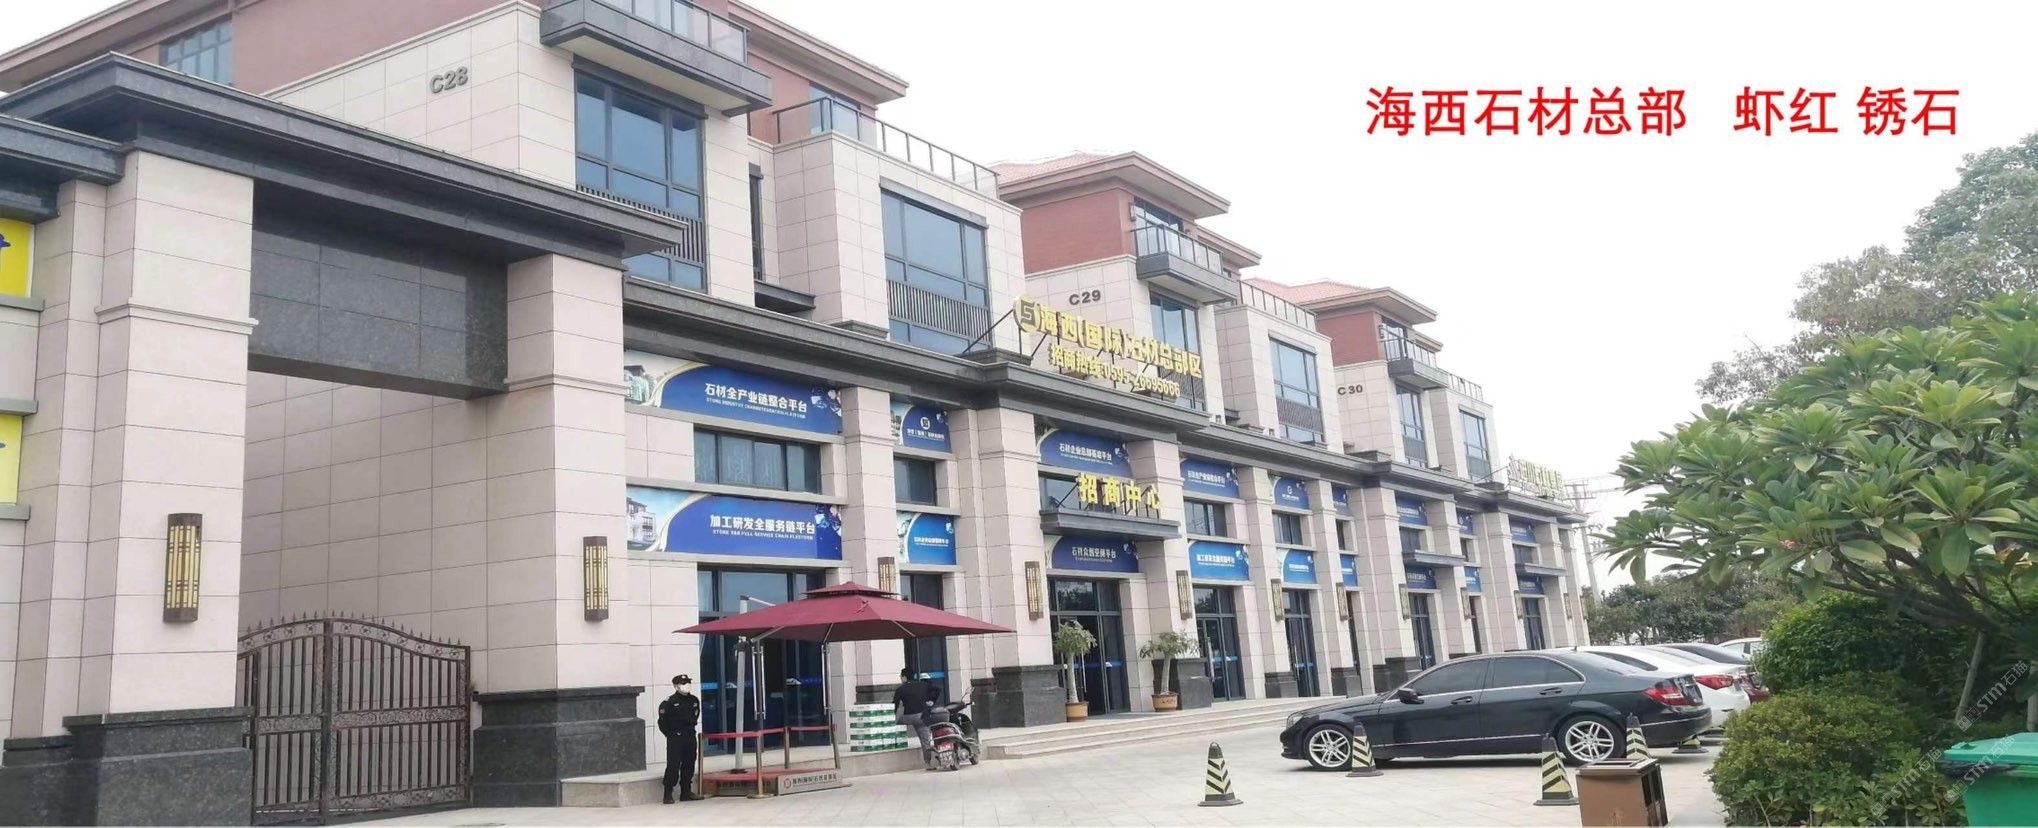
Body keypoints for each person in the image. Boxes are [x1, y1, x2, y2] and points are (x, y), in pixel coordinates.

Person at [658, 674, 701, 803]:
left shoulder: (694, 700)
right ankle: (668, 793)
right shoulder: (669, 702)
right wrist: (671, 735)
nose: (687, 685)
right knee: (673, 764)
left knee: (689, 763)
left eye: (688, 682)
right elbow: (662, 723)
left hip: (689, 735)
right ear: (676, 686)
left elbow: (695, 717)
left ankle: (686, 792)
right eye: (683, 683)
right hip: (675, 737)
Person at [891, 668, 943, 769]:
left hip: (908, 718)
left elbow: (894, 706)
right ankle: (928, 763)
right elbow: (938, 689)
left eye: (901, 676)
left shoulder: (900, 689)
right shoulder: (923, 685)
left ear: (904, 677)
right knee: (925, 741)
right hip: (922, 717)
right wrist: (932, 701)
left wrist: (890, 721)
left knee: (897, 723)